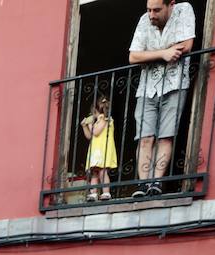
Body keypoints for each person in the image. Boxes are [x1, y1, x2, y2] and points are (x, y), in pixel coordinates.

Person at [128, 0, 195, 196]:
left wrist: (148, 54)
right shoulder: (144, 20)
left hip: (175, 83)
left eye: (156, 10)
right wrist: (164, 53)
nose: (151, 15)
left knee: (166, 136)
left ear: (170, 5)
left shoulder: (184, 11)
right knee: (144, 137)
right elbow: (133, 56)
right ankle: (143, 184)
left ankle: (156, 183)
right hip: (146, 87)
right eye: (149, 9)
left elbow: (187, 45)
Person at [80, 95, 118, 201]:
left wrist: (91, 124)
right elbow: (89, 136)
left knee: (102, 172)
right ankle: (93, 193)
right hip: (95, 150)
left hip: (102, 149)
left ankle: (106, 192)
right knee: (94, 173)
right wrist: (84, 126)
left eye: (93, 113)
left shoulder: (105, 119)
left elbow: (96, 132)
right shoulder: (97, 122)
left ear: (96, 111)